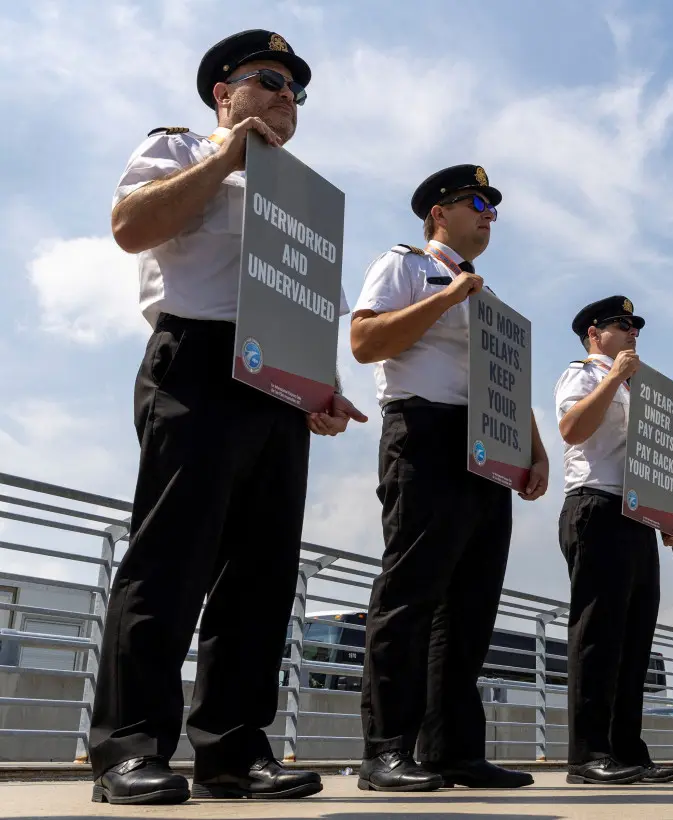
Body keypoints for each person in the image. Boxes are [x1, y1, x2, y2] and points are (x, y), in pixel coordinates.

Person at [89, 30, 368, 805]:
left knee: (262, 578)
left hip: (277, 387)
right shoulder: (179, 148)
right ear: (223, 92)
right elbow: (131, 228)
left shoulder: (301, 196)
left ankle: (234, 752)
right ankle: (128, 749)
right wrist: (226, 160)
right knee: (170, 561)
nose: (287, 97)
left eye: (295, 91)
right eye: (270, 80)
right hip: (200, 364)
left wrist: (323, 386)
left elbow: (307, 307)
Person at [351, 164, 549, 791]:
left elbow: (507, 385)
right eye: (478, 201)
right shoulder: (406, 264)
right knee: (411, 596)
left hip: (487, 449)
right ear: (440, 212)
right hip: (426, 433)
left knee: (470, 609)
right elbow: (363, 340)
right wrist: (444, 298)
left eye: (494, 204)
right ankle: (387, 748)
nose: (490, 212)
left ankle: (453, 749)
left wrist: (535, 451)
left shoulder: (488, 297)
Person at [553, 296, 673, 786]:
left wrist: (666, 514)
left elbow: (651, 459)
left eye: (634, 327)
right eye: (620, 325)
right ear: (594, 334)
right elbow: (572, 428)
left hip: (635, 515)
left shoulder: (639, 390)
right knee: (598, 636)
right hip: (596, 505)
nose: (632, 332)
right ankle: (588, 755)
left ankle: (627, 748)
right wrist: (613, 377)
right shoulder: (581, 374)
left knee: (634, 639)